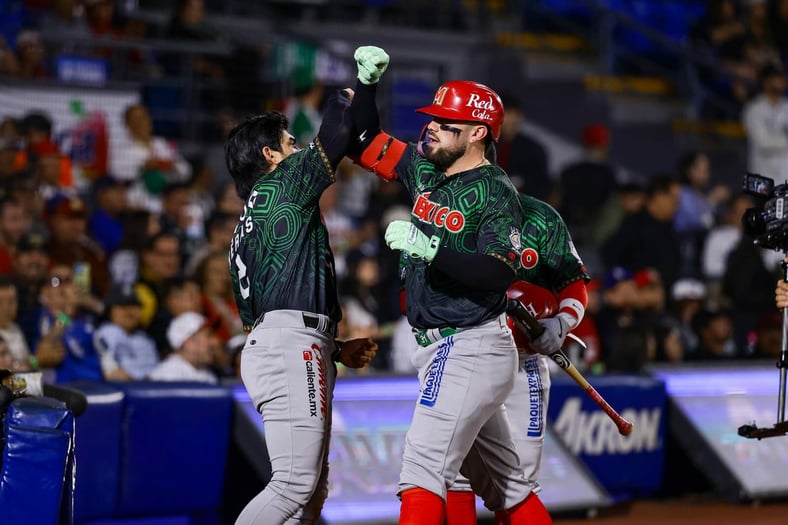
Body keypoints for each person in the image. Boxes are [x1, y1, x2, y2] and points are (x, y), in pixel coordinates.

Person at [348, 51, 556, 523]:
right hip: (443, 343)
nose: (432, 128)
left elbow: (499, 271)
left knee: (421, 469)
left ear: (478, 133)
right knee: (508, 488)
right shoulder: (425, 168)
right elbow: (363, 139)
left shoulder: (495, 190)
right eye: (434, 119)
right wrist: (367, 84)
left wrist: (430, 249)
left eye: (447, 122)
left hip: (470, 344)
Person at [224, 47, 381, 524]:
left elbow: (270, 310)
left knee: (307, 495)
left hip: (287, 345)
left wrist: (332, 348)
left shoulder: (244, 227)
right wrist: (345, 94)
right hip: (292, 349)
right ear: (270, 155)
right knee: (295, 486)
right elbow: (337, 134)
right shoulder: (280, 184)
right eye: (290, 142)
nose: (299, 149)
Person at [445, 193, 590, 525]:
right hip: (466, 355)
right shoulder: (446, 213)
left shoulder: (539, 217)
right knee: (457, 473)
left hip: (525, 363)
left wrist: (563, 321)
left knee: (519, 480)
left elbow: (573, 282)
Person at [147, 311, 218, 383]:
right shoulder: (166, 377)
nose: (215, 343)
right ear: (188, 343)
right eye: (209, 336)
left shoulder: (206, 373)